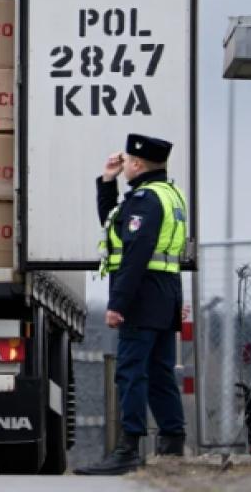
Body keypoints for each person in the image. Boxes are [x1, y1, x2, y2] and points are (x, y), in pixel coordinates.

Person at [75, 134, 189, 476]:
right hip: (164, 292)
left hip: (142, 295)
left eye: (125, 161)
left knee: (131, 373)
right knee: (159, 374)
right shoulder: (169, 193)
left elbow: (135, 252)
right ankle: (171, 447)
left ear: (137, 164)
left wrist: (118, 302)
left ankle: (127, 450)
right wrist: (107, 182)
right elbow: (116, 225)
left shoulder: (144, 199)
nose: (122, 164)